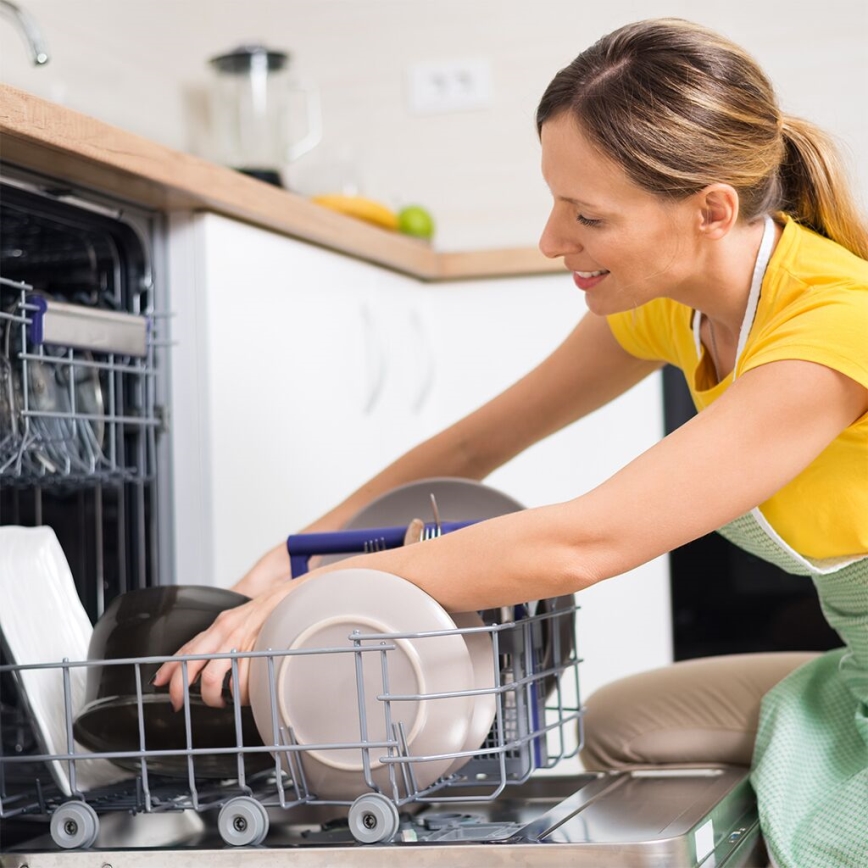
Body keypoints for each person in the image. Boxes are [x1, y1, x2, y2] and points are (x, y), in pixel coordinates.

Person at [154, 18, 868, 867]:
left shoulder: (835, 326)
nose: (551, 240)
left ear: (711, 211)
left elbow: (585, 542)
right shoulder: (674, 302)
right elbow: (471, 449)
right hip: (855, 665)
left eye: (588, 215)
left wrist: (318, 594)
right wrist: (288, 559)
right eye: (555, 201)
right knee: (617, 725)